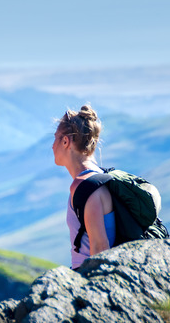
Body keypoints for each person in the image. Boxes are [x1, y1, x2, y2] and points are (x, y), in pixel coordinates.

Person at [52, 104, 116, 269]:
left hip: (88, 276)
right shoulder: (98, 177)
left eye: (55, 138)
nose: (52, 146)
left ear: (66, 141)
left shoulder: (85, 186)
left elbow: (100, 247)